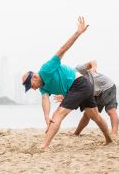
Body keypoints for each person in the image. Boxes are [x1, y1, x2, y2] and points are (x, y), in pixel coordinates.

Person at [22, 17, 112, 150]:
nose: (33, 89)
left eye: (31, 85)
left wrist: (78, 33)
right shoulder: (42, 86)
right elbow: (45, 100)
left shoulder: (45, 69)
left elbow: (63, 49)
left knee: (59, 113)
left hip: (79, 83)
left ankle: (44, 146)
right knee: (94, 116)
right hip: (81, 87)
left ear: (34, 77)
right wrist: (46, 116)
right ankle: (109, 140)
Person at [54, 60, 119, 136]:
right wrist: (64, 98)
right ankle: (76, 133)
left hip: (107, 86)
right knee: (88, 113)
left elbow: (92, 61)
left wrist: (93, 68)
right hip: (94, 92)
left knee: (111, 111)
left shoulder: (77, 70)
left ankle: (114, 133)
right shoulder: (68, 84)